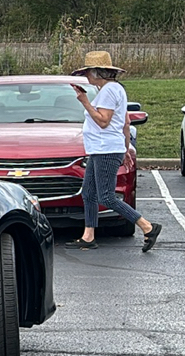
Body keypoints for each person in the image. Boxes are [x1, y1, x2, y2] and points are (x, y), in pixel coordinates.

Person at [67, 51, 161, 252]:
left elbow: (103, 121)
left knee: (106, 196)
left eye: (88, 72)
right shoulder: (115, 89)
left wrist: (84, 101)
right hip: (104, 148)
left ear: (96, 72)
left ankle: (147, 226)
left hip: (105, 149)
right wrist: (125, 147)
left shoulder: (109, 91)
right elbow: (125, 122)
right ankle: (88, 235)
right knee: (89, 192)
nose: (86, 77)